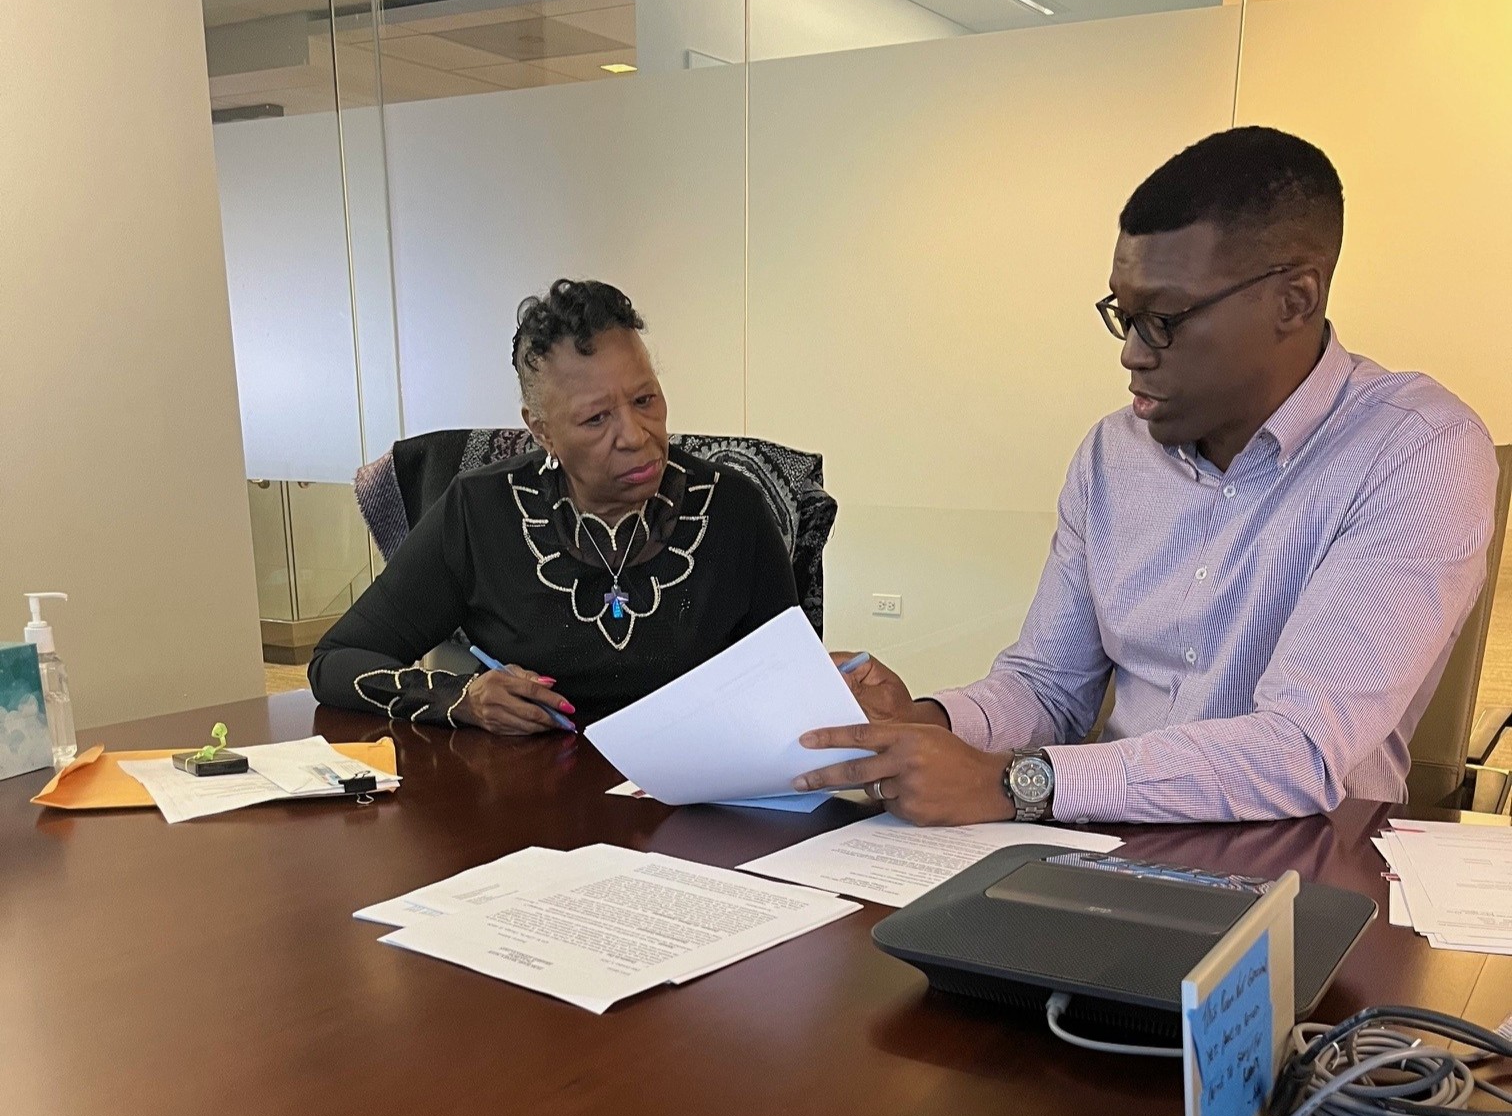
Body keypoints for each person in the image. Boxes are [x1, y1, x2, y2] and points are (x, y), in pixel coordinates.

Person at [796, 126, 1498, 825]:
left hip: (1301, 870)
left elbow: (1302, 752)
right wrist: (922, 724)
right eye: (1124, 316)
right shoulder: (1112, 453)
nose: (1132, 353)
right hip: (1105, 846)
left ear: (1295, 300)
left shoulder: (1418, 450)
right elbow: (1049, 688)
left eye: (1163, 319)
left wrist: (1018, 783)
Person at [310, 279, 798, 732]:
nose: (634, 435)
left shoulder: (734, 511)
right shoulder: (481, 513)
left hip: (695, 797)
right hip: (535, 802)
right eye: (596, 418)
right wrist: (462, 698)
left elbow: (792, 681)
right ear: (541, 430)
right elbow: (335, 661)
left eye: (646, 400)